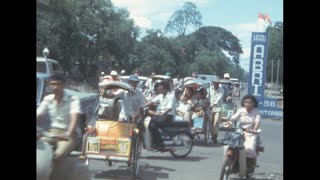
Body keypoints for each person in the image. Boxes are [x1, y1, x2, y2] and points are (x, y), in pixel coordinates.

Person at [37, 73, 82, 161]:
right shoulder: (47, 99)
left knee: (57, 155)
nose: (55, 87)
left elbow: (74, 119)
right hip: (53, 133)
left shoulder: (73, 99)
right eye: (53, 84)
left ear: (63, 85)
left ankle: (55, 174)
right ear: (49, 85)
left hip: (69, 134)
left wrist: (67, 134)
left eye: (58, 84)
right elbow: (38, 115)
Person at [229, 94, 261, 166]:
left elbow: (257, 122)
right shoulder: (240, 110)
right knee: (231, 144)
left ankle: (249, 162)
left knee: (249, 149)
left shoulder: (256, 112)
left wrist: (255, 129)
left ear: (254, 103)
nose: (247, 104)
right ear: (243, 103)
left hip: (250, 133)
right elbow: (233, 118)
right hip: (239, 132)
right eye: (246, 102)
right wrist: (229, 122)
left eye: (250, 102)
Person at [144, 80, 176, 148]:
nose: (159, 90)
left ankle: (159, 142)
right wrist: (143, 106)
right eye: (159, 89)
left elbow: (169, 108)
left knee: (153, 123)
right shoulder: (160, 95)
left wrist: (161, 114)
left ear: (166, 89)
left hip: (168, 115)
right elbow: (152, 102)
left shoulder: (171, 96)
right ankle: (155, 141)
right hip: (161, 114)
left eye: (161, 89)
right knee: (150, 124)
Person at [209, 77, 224, 143]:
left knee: (216, 122)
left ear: (219, 83)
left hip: (218, 108)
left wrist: (213, 104)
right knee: (211, 122)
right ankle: (212, 135)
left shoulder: (221, 90)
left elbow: (218, 99)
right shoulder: (210, 89)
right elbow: (208, 96)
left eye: (217, 83)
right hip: (210, 108)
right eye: (214, 82)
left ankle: (215, 136)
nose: (215, 84)